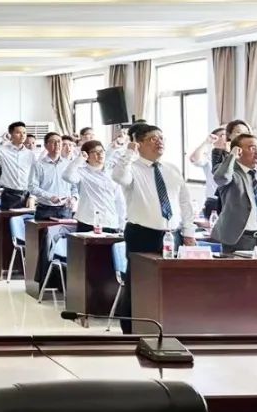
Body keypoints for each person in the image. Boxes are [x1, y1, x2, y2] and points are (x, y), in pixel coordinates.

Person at [112, 123, 196, 334]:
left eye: (161, 138)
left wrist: (188, 232)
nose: (159, 142)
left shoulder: (172, 169)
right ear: (138, 143)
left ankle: (168, 326)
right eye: (152, 138)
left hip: (173, 234)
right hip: (142, 234)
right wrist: (129, 152)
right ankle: (131, 330)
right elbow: (119, 177)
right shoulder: (131, 168)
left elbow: (184, 202)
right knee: (138, 282)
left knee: (172, 282)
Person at [211, 134, 257, 254]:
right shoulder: (229, 171)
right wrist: (232, 156)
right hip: (238, 239)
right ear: (239, 151)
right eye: (252, 148)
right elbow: (221, 178)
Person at [62, 140, 125, 233]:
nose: (100, 154)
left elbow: (119, 200)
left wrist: (122, 224)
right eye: (95, 152)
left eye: (101, 151)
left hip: (110, 222)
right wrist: (79, 159)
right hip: (87, 221)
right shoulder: (81, 172)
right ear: (87, 156)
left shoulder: (112, 173)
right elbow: (67, 176)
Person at [0, 122, 37, 210]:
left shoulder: (30, 154)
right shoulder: (3, 150)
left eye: (24, 133)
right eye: (18, 132)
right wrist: (2, 138)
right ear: (11, 134)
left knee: (26, 218)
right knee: (8, 218)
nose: (22, 135)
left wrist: (32, 196)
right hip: (9, 195)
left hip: (27, 195)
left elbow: (34, 177)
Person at [29, 132, 76, 220]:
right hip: (45, 209)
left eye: (59, 141)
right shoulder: (38, 165)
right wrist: (50, 197)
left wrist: (74, 198)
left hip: (65, 209)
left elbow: (74, 187)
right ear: (46, 146)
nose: (57, 144)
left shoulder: (68, 164)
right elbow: (32, 187)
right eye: (53, 141)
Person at [189, 127, 226, 218]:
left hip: (231, 201)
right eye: (222, 135)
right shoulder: (208, 156)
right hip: (214, 201)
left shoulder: (234, 155)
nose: (226, 137)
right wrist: (207, 142)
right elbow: (194, 159)